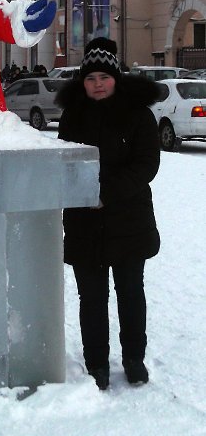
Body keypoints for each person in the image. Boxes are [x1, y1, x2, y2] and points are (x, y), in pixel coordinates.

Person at [56, 37, 161, 391]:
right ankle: (96, 363)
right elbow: (65, 161)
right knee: (92, 298)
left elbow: (146, 165)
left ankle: (134, 359)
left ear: (116, 77)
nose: (97, 84)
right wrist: (83, 193)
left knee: (131, 292)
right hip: (85, 221)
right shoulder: (73, 115)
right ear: (82, 83)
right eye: (90, 78)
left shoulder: (138, 115)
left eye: (103, 77)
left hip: (128, 219)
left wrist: (106, 193)